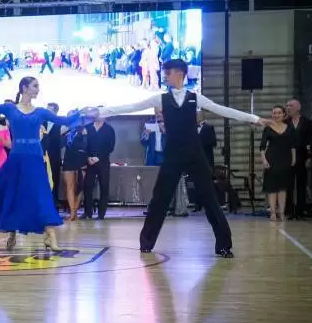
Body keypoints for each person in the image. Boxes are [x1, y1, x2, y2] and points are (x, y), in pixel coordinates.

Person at [89, 58, 269, 258]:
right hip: (173, 153)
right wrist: (99, 112)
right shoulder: (160, 99)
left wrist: (255, 119)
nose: (165, 76)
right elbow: (130, 107)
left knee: (210, 198)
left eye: (168, 73)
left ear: (180, 73)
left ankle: (224, 246)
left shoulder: (195, 98)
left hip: (195, 154)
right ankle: (146, 243)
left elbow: (224, 110)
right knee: (160, 198)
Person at [0, 76, 91, 250]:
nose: (38, 89)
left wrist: (82, 113)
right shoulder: (10, 109)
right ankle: (12, 231)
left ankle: (50, 235)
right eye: (35, 86)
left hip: (35, 159)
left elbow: (64, 121)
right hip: (16, 158)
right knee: (14, 194)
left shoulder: (40, 112)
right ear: (24, 88)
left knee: (41, 195)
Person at [260, 105, 296, 222]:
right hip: (271, 158)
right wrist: (264, 160)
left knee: (282, 188)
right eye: (274, 113)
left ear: (284, 114)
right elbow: (262, 147)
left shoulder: (289, 128)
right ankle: (273, 213)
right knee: (272, 187)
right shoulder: (268, 128)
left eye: (279, 113)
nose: (276, 115)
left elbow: (293, 145)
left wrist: (293, 159)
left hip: (285, 159)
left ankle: (282, 212)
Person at [82, 117, 115, 219]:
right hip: (90, 162)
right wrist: (88, 157)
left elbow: (111, 147)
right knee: (87, 187)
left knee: (104, 187)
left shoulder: (109, 129)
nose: (100, 116)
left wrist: (99, 157)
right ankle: (88, 212)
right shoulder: (88, 128)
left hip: (103, 162)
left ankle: (101, 214)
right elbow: (83, 145)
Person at [285, 98, 311, 218]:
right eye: (287, 106)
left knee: (302, 183)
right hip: (287, 156)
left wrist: (309, 157)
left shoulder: (306, 122)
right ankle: (289, 210)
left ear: (298, 108)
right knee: (288, 184)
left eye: (290, 105)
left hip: (302, 156)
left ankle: (301, 209)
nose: (288, 108)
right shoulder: (285, 122)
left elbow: (310, 139)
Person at [62, 125, 88, 221]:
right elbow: (60, 143)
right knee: (70, 187)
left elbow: (85, 146)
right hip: (68, 160)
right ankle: (72, 212)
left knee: (79, 187)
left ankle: (74, 212)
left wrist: (84, 135)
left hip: (80, 160)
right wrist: (66, 131)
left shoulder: (83, 130)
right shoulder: (67, 131)